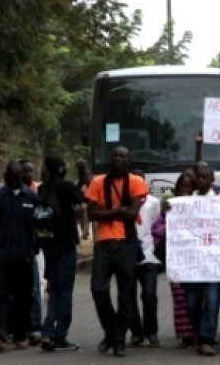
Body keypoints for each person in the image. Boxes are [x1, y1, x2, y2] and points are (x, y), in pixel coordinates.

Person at [85, 145, 148, 357]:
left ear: (128, 161)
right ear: (109, 158)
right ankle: (111, 331)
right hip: (103, 243)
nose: (118, 160)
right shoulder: (97, 182)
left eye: (123, 157)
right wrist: (119, 210)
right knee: (98, 289)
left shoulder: (137, 182)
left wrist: (112, 213)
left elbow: (132, 214)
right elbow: (91, 215)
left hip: (126, 243)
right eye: (114, 156)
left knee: (126, 294)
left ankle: (119, 340)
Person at [0, 162, 37, 353]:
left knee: (24, 297)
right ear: (6, 177)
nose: (14, 181)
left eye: (18, 177)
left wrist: (36, 247)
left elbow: (37, 225)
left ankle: (20, 335)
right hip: (3, 256)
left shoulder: (32, 197)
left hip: (24, 256)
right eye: (11, 177)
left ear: (21, 177)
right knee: (2, 295)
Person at [37, 155, 84, 352]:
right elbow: (83, 198)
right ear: (61, 168)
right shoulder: (65, 187)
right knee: (65, 292)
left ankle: (47, 332)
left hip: (48, 245)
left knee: (54, 290)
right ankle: (60, 336)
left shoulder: (42, 188)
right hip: (65, 245)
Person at [182, 164, 220, 356]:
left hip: (214, 261)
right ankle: (200, 332)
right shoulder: (185, 202)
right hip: (193, 262)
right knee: (192, 301)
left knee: (213, 300)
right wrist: (169, 211)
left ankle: (207, 339)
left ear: (212, 180)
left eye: (205, 178)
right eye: (198, 177)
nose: (201, 181)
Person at [153, 172, 197, 350]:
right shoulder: (169, 207)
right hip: (176, 259)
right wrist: (168, 217)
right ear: (177, 189)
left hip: (198, 260)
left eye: (189, 187)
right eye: (182, 187)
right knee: (180, 298)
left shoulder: (201, 205)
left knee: (195, 298)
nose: (185, 191)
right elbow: (156, 231)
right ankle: (185, 336)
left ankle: (199, 332)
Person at [128, 170, 162, 348]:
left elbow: (156, 224)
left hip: (148, 257)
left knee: (149, 295)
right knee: (128, 297)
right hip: (127, 258)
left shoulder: (153, 202)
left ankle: (152, 331)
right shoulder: (123, 202)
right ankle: (136, 332)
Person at [19, 159, 43, 346]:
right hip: (12, 250)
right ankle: (15, 329)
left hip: (32, 249)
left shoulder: (36, 193)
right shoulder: (5, 194)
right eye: (25, 171)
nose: (29, 174)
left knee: (35, 289)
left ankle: (35, 328)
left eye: (31, 170)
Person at [75, 159, 92, 240]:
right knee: (84, 216)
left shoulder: (85, 174)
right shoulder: (82, 174)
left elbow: (86, 184)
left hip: (84, 198)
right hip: (83, 198)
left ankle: (85, 232)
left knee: (84, 216)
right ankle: (85, 232)